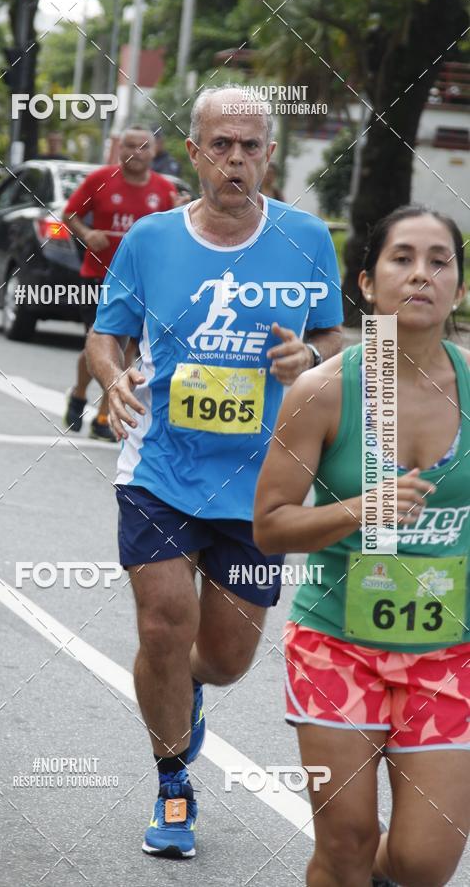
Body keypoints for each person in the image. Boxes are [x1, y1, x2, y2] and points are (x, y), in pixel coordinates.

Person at [86, 85, 343, 858]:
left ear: (271, 154)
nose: (236, 159)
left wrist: (311, 356)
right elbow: (106, 335)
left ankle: (188, 685)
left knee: (226, 658)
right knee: (163, 623)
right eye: (221, 145)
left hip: (263, 480)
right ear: (194, 152)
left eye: (250, 146)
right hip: (159, 467)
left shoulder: (306, 238)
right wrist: (112, 378)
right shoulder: (150, 240)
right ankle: (172, 782)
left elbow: (337, 340)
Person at [254, 205, 470, 887]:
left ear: (460, 288)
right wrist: (360, 509)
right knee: (345, 846)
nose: (421, 274)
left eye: (439, 261)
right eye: (402, 258)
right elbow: (269, 525)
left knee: (423, 863)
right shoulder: (320, 391)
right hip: (336, 645)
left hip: (451, 651)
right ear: (368, 283)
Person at [62, 124, 177, 441]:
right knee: (99, 341)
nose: (135, 152)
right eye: (129, 145)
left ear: (154, 151)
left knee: (127, 350)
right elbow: (69, 214)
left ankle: (104, 416)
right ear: (119, 149)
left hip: (142, 282)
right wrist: (87, 234)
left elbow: (176, 231)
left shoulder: (164, 190)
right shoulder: (99, 180)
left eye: (143, 146)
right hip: (98, 275)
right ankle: (79, 392)